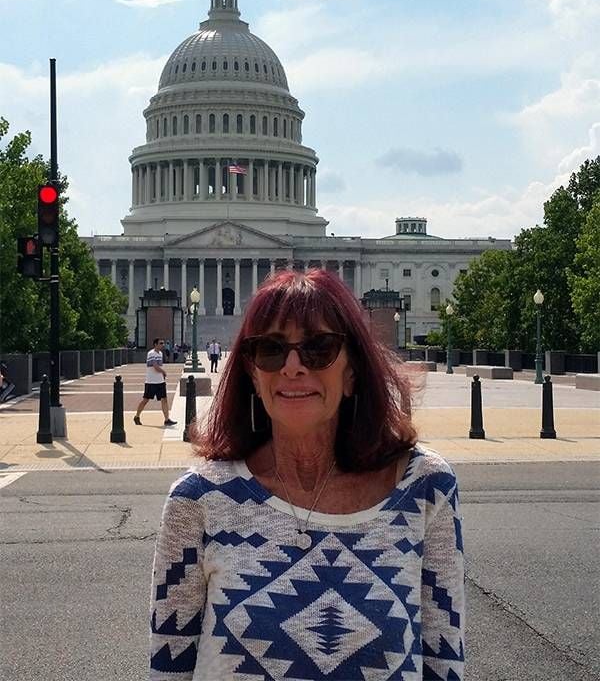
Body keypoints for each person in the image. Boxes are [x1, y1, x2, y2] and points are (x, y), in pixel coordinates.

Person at [149, 270, 465, 680]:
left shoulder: (424, 488)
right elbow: (168, 669)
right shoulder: (198, 501)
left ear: (352, 371)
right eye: (270, 349)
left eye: (319, 348)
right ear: (252, 374)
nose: (293, 367)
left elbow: (444, 661)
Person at [134, 338, 177, 427]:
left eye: (163, 343)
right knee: (146, 400)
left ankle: (167, 419)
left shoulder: (160, 353)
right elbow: (155, 366)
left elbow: (158, 366)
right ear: (155, 344)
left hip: (160, 381)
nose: (163, 345)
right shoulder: (151, 353)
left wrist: (162, 375)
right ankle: (137, 416)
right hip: (151, 381)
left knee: (164, 399)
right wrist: (163, 372)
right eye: (161, 343)